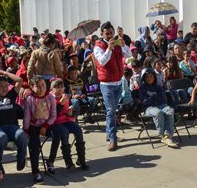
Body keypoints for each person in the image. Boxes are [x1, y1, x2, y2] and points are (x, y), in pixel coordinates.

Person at [93, 21, 131, 151]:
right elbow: (102, 61)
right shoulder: (98, 46)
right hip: (107, 84)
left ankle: (110, 134)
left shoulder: (117, 44)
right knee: (110, 111)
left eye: (111, 33)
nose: (109, 36)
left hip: (118, 82)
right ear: (102, 34)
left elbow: (129, 56)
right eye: (107, 34)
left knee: (114, 111)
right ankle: (113, 139)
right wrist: (109, 48)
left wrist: (123, 44)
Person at [45, 78, 89, 174]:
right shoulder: (50, 98)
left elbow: (67, 113)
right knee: (64, 132)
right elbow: (52, 114)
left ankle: (81, 159)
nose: (59, 90)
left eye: (61, 87)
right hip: (55, 122)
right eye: (56, 87)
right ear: (51, 89)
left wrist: (70, 112)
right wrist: (60, 103)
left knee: (78, 130)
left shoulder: (65, 97)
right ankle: (68, 161)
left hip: (66, 120)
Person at [23, 75, 57, 184]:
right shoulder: (29, 99)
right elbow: (27, 116)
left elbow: (53, 115)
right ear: (32, 87)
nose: (41, 88)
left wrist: (46, 126)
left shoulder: (50, 97)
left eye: (43, 85)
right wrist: (26, 130)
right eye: (38, 86)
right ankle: (36, 171)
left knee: (57, 135)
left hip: (47, 124)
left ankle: (50, 161)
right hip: (34, 126)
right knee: (34, 146)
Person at [139, 69, 178, 148]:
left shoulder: (158, 86)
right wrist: (155, 97)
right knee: (158, 113)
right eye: (147, 77)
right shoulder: (142, 88)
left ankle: (167, 136)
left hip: (161, 105)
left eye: (151, 76)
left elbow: (163, 99)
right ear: (144, 78)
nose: (149, 78)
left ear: (154, 77)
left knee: (170, 111)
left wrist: (152, 97)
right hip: (149, 108)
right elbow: (145, 101)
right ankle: (162, 134)